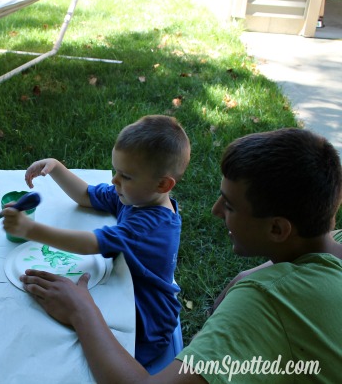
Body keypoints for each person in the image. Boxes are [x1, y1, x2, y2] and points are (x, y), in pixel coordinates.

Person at [20, 128, 342, 383]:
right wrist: (252, 273)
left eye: (229, 205)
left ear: (277, 230)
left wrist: (81, 310)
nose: (215, 212)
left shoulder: (262, 306)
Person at [3, 115, 191, 371]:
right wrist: (57, 168)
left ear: (162, 184)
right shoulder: (136, 197)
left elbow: (91, 243)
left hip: (145, 324)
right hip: (123, 289)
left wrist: (31, 229)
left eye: (125, 175)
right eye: (116, 171)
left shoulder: (150, 225)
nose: (115, 181)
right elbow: (86, 195)